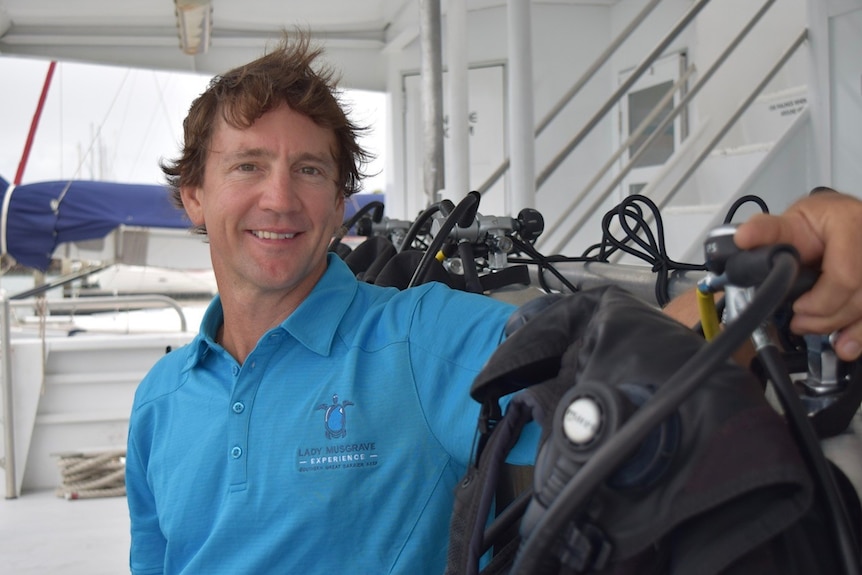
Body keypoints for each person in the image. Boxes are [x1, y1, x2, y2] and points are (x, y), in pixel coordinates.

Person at [125, 31, 862, 574]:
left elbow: (622, 363)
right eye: (248, 165)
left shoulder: (413, 337)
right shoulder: (159, 403)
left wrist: (788, 257)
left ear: (340, 200)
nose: (280, 197)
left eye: (309, 169)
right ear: (193, 195)